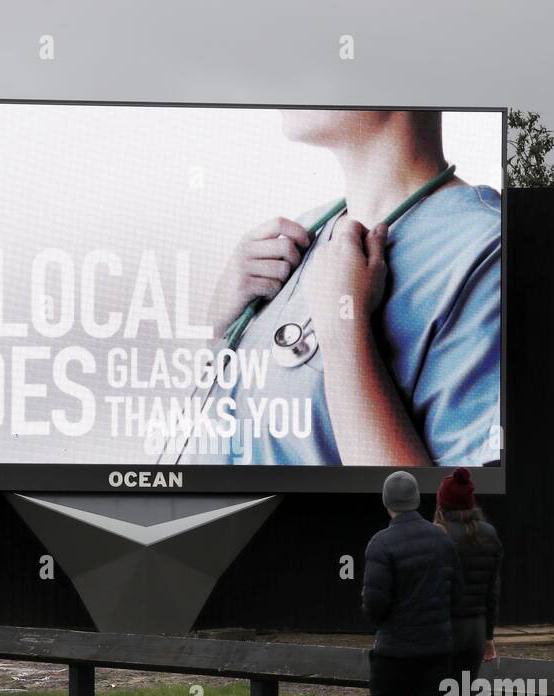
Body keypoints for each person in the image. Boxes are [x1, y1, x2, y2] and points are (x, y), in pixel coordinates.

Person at [184, 108, 500, 468]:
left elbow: (449, 519)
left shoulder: (488, 257)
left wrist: (344, 328)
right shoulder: (296, 239)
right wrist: (218, 334)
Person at [344, 470, 492, 696]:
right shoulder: (441, 540)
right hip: (435, 650)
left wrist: (373, 613)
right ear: (416, 500)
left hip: (393, 651)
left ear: (386, 502)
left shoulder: (381, 543)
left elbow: (375, 605)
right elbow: (456, 594)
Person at [400, 468, 534, 696]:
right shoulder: (488, 534)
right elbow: (493, 591)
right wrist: (488, 635)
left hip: (442, 631)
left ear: (442, 504)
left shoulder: (436, 535)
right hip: (475, 630)